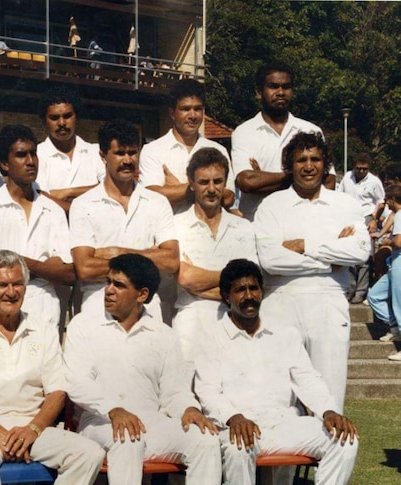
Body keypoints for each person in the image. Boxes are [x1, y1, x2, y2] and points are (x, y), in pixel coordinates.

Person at [0, 250, 105, 485]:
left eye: (17, 284)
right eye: (2, 285)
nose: (11, 292)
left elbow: (56, 393)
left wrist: (33, 429)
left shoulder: (43, 330)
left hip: (33, 428)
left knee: (90, 454)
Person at [194, 259, 359, 485]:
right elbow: (208, 391)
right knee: (238, 447)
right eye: (240, 290)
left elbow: (308, 379)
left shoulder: (285, 333)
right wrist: (235, 418)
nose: (249, 296)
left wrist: (328, 410)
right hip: (239, 426)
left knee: (345, 440)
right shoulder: (210, 337)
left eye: (254, 288)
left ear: (262, 292)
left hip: (284, 423)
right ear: (226, 296)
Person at [64, 254, 221, 484]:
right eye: (108, 282)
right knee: (128, 438)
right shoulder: (84, 324)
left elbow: (174, 391)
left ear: (142, 294)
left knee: (206, 439)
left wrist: (189, 409)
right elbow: (76, 382)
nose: (108, 290)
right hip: (100, 423)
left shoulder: (163, 334)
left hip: (152, 424)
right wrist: (113, 409)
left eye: (118, 285)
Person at [254, 132, 369, 411]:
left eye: (315, 159)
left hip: (329, 301)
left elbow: (360, 250)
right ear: (290, 166)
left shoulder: (345, 204)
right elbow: (269, 259)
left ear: (325, 163)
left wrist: (303, 245)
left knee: (328, 399)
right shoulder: (272, 205)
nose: (308, 166)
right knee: (282, 398)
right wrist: (330, 258)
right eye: (301, 160)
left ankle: (330, 455)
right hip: (281, 301)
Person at [70, 120, 179, 321]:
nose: (128, 160)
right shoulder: (83, 204)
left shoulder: (157, 202)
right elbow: (85, 268)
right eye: (120, 153)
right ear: (103, 156)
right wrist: (149, 256)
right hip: (98, 307)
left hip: (146, 309)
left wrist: (117, 253)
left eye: (132, 153)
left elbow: (171, 261)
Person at [0, 125, 75, 329]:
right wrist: (45, 267)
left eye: (33, 154)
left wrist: (17, 262)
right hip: (0, 314)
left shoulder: (52, 210)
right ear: (4, 163)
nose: (30, 161)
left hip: (46, 314)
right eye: (21, 155)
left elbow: (68, 274)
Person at [172, 147, 256, 380]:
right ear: (191, 184)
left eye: (218, 181)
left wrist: (199, 281)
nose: (211, 189)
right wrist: (232, 281)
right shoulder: (175, 226)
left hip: (233, 320)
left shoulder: (243, 227)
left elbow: (251, 283)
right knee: (188, 397)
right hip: (190, 321)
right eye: (203, 182)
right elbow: (185, 278)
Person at [232, 62, 334, 221]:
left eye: (286, 87)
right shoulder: (244, 132)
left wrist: (263, 180)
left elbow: (329, 182)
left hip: (303, 219)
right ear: (259, 92)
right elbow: (246, 182)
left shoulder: (310, 130)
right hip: (257, 221)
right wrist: (297, 176)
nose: (280, 92)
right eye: (273, 86)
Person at [139, 79, 234, 214]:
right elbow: (151, 196)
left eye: (197, 109)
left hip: (207, 231)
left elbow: (229, 197)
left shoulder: (218, 150)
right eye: (185, 109)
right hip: (170, 231)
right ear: (172, 113)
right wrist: (203, 190)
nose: (193, 115)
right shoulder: (153, 150)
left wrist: (177, 189)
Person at [35, 86, 105, 211]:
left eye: (67, 116)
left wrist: (67, 192)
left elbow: (109, 190)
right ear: (44, 121)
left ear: (76, 117)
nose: (61, 123)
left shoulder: (95, 152)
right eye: (54, 118)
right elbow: (41, 199)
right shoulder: (36, 155)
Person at [338, 152, 384, 303]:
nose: (361, 171)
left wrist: (374, 219)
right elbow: (340, 196)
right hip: (349, 218)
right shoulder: (347, 177)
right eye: (359, 168)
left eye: (364, 169)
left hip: (366, 217)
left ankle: (361, 291)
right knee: (349, 253)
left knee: (364, 256)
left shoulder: (374, 181)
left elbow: (381, 202)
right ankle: (349, 289)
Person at [367, 184, 401, 358]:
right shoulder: (397, 215)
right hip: (394, 262)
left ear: (393, 200)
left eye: (387, 200)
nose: (386, 204)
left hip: (399, 261)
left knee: (399, 303)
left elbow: (400, 242)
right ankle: (395, 328)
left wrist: (388, 241)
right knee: (375, 296)